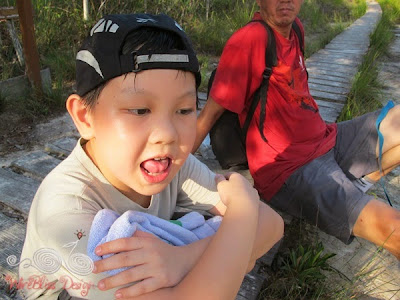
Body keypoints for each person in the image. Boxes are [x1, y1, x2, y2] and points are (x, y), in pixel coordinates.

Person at [18, 13, 284, 300]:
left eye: (183, 110)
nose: (167, 134)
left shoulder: (170, 165)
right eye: (140, 111)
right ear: (85, 117)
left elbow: (271, 224)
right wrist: (242, 212)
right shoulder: (64, 211)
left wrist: (181, 259)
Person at [193, 0, 400, 260]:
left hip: (327, 138)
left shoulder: (296, 29)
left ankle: (355, 188)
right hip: (290, 168)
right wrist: (173, 176)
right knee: (394, 228)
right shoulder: (250, 39)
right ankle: (352, 201)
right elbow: (208, 115)